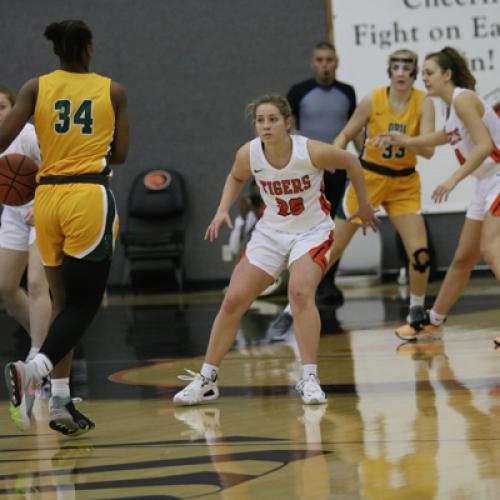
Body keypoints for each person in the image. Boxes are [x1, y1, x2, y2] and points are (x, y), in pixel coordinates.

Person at [173, 94, 377, 406]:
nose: (266, 126)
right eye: (260, 121)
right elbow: (235, 177)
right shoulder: (250, 153)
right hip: (271, 232)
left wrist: (362, 204)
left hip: (311, 231)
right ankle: (207, 378)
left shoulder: (309, 150)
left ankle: (309, 377)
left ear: (287, 122)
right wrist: (221, 210)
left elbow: (351, 162)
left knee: (299, 293)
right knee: (233, 300)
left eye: (272, 120)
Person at [0, 20, 129, 434]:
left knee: (61, 305)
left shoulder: (35, 87)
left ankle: (59, 402)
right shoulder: (112, 90)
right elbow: (121, 154)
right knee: (83, 305)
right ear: (89, 48)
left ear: (56, 51)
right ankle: (33, 370)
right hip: (87, 198)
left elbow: (3, 137)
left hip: (47, 199)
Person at [377, 47, 500, 342]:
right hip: (486, 182)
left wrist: (453, 179)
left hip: (498, 175)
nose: (425, 79)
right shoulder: (451, 106)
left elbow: (484, 146)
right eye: (425, 74)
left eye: (430, 73)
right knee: (462, 258)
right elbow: (446, 136)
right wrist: (406, 139)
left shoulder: (463, 99)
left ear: (447, 74)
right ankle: (434, 321)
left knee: (490, 248)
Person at [331, 48, 435, 329]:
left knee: (420, 255)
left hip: (404, 183)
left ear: (414, 73)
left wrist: (403, 140)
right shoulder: (372, 99)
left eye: (407, 66)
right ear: (389, 71)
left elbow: (428, 151)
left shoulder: (424, 103)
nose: (401, 71)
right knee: (331, 250)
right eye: (396, 66)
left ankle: (415, 310)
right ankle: (293, 308)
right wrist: (332, 156)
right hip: (369, 179)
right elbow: (345, 132)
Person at [267, 41, 361, 341]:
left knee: (334, 228)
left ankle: (327, 282)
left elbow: (353, 129)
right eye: (320, 60)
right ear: (312, 62)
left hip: (337, 172)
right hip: (308, 172)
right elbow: (286, 132)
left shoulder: (347, 92)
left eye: (330, 60)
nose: (325, 65)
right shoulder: (298, 91)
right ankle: (303, 281)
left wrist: (363, 162)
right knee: (308, 227)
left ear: (337, 62)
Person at [0, 85, 52, 365]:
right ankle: (51, 346)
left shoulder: (29, 135)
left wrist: (41, 204)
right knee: (5, 287)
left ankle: (38, 355)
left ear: (15, 109)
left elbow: (56, 172)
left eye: (2, 107)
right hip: (13, 214)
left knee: (35, 282)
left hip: (43, 211)